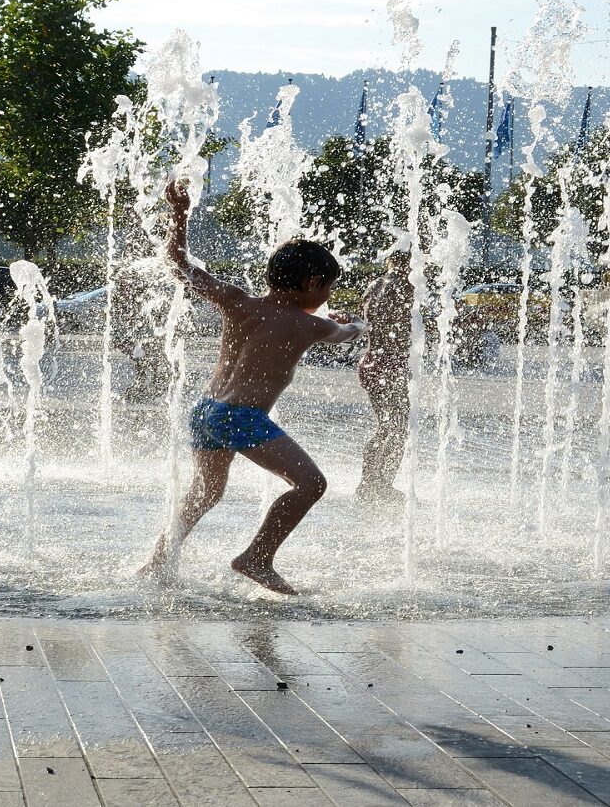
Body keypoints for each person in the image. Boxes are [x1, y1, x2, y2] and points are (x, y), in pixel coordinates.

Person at [139, 180, 366, 595]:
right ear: (313, 282)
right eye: (327, 287)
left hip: (206, 410)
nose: (328, 294)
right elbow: (342, 333)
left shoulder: (237, 300)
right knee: (311, 484)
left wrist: (180, 215)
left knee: (205, 492)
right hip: (242, 418)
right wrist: (359, 323)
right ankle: (257, 557)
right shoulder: (310, 324)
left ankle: (156, 563)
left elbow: (176, 262)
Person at [355, 250, 413, 503]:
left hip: (372, 361)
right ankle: (379, 485)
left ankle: (370, 482)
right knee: (397, 428)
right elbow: (409, 327)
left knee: (386, 426)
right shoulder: (405, 288)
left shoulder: (374, 285)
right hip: (392, 365)